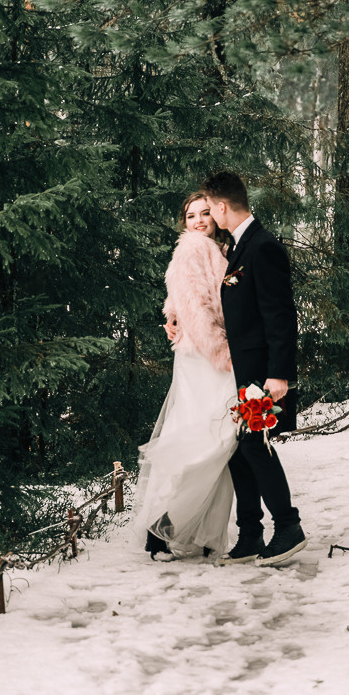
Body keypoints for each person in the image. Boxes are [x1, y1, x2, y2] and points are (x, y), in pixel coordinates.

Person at [201, 171, 308, 567]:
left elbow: (280, 316)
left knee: (253, 446)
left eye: (211, 208)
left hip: (263, 374)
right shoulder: (238, 247)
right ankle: (250, 535)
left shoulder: (262, 247)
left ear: (223, 206)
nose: (210, 216)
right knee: (238, 451)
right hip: (241, 373)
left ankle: (288, 527)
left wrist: (278, 374)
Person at [132, 193, 237, 560]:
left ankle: (195, 530)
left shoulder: (216, 249)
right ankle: (160, 530)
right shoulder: (194, 248)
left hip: (205, 353)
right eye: (191, 215)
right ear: (184, 222)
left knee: (213, 440)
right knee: (206, 440)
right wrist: (223, 354)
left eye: (205, 213)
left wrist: (171, 316)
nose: (198, 220)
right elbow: (198, 310)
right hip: (205, 357)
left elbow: (180, 300)